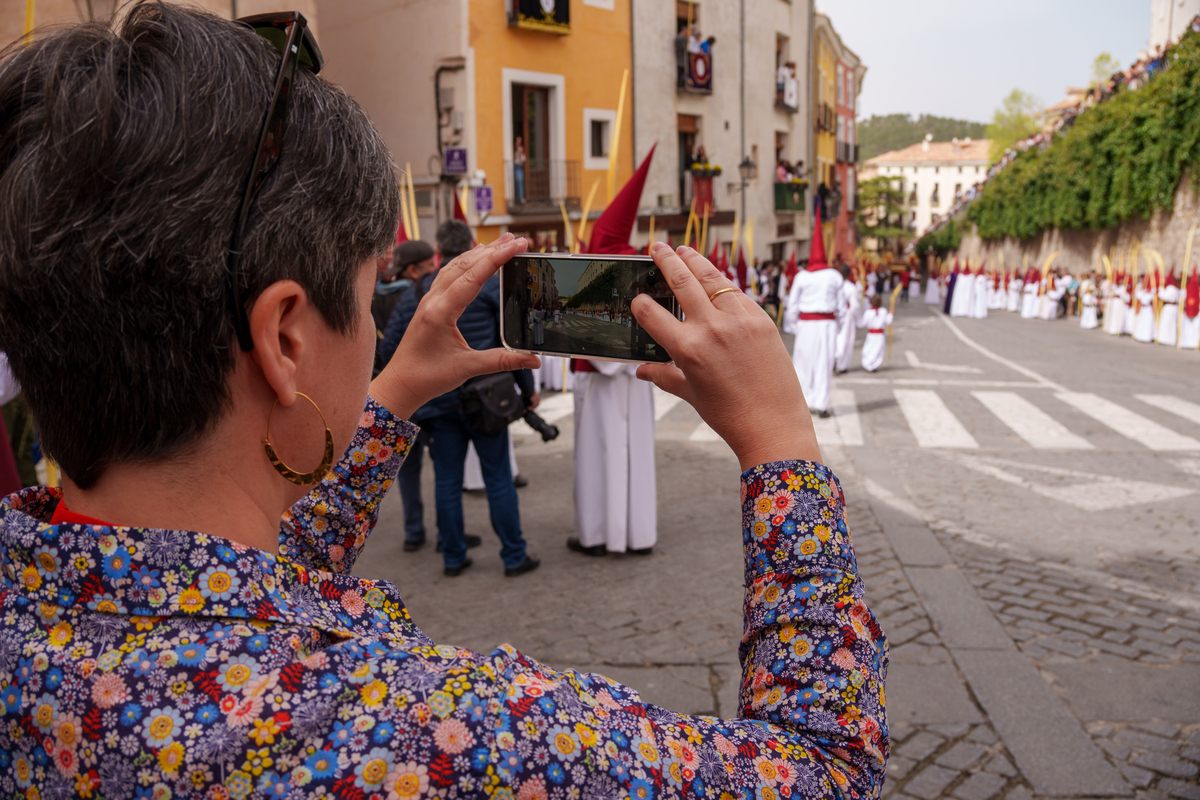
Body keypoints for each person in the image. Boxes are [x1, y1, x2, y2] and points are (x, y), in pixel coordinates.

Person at [0, 7, 887, 797]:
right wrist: (782, 451)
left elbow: (228, 576)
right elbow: (825, 769)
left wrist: (397, 388)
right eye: (369, 283)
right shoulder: (451, 737)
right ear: (285, 340)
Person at [383, 220, 540, 577]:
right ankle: (513, 555)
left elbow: (391, 345)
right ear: (470, 244)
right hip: (487, 398)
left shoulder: (421, 290)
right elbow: (513, 339)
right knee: (498, 477)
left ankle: (453, 556)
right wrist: (528, 391)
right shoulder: (489, 287)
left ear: (439, 249)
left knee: (447, 480)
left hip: (438, 404)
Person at [783, 210, 842, 418]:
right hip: (827, 325)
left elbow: (792, 304)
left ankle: (803, 403)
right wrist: (839, 327)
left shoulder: (802, 277)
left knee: (803, 362)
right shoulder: (835, 276)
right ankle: (822, 404)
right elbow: (841, 306)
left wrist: (795, 325)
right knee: (824, 363)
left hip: (807, 324)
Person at [835, 263, 861, 373]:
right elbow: (854, 305)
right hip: (846, 316)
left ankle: (834, 360)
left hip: (835, 315)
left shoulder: (835, 284)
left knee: (836, 338)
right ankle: (841, 365)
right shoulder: (851, 287)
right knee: (846, 340)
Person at [858, 294, 893, 373]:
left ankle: (870, 365)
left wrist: (858, 317)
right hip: (878, 335)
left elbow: (862, 323)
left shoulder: (868, 312)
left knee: (871, 349)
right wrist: (890, 314)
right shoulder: (883, 311)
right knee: (876, 350)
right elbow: (888, 321)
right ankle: (872, 365)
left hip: (872, 335)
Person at [1156, 270, 1180, 345]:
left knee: (1166, 323)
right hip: (1175, 308)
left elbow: (1164, 296)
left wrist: (1161, 289)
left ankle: (1165, 339)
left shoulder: (1170, 288)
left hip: (1169, 307)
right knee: (1172, 324)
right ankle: (1171, 339)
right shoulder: (1177, 288)